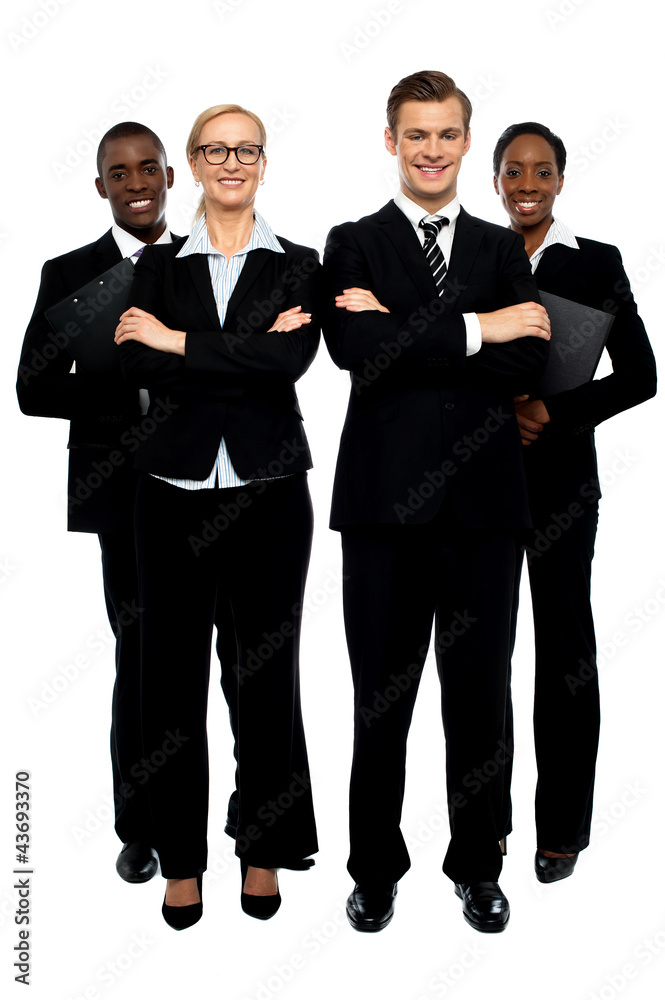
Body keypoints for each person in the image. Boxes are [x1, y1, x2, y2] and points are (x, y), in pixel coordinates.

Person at [321, 70, 551, 934]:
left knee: (480, 700)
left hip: (485, 510)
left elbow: (526, 359)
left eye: (446, 134)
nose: (431, 150)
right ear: (391, 141)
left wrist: (403, 328)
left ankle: (478, 866)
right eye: (415, 134)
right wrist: (479, 327)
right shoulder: (352, 242)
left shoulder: (499, 248)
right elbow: (357, 350)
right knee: (379, 701)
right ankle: (373, 870)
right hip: (382, 511)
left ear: (465, 141)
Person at [115, 103, 319, 930]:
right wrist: (238, 349)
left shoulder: (299, 263)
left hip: (270, 492)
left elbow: (288, 361)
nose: (231, 162)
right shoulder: (157, 266)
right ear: (194, 164)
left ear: (263, 163)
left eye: (246, 150)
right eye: (215, 150)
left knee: (266, 679)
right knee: (168, 684)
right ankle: (181, 861)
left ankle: (264, 849)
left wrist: (180, 343)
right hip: (170, 493)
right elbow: (136, 359)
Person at [16, 122, 182, 884]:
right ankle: (141, 825)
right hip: (120, 487)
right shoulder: (70, 273)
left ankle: (243, 819)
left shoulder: (207, 258)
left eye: (148, 168)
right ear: (101, 186)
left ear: (170, 175)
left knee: (234, 655)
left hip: (213, 484)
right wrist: (127, 393)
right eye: (120, 173)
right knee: (141, 653)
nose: (136, 183)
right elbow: (33, 388)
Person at [492, 122, 656, 882]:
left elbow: (640, 376)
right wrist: (502, 412)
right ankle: (485, 825)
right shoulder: (472, 255)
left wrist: (550, 413)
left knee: (563, 651)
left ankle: (561, 826)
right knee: (481, 654)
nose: (527, 184)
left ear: (560, 178)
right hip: (480, 478)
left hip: (560, 484)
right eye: (513, 170)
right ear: (496, 179)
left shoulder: (596, 263)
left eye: (541, 171)